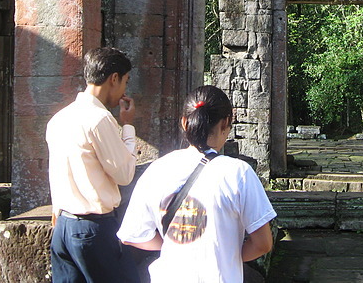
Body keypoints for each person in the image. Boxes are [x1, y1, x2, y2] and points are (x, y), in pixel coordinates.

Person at [117, 85, 276, 283]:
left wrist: (177, 245)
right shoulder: (239, 173)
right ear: (226, 122)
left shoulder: (157, 170)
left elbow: (132, 235)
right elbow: (263, 244)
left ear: (184, 122)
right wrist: (226, 257)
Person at [46, 47, 140, 283]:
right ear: (114, 78)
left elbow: (56, 173)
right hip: (93, 228)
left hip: (63, 225)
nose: (124, 90)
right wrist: (127, 126)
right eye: (125, 81)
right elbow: (124, 174)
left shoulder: (59, 118)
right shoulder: (99, 119)